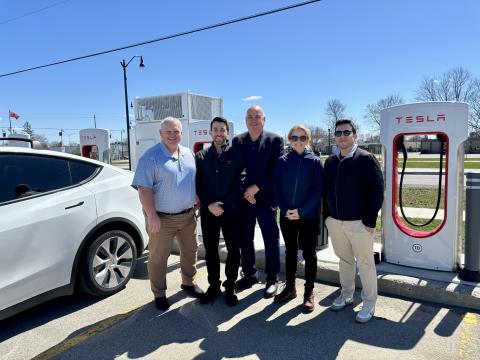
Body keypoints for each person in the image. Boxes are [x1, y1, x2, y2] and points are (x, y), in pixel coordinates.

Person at [132, 117, 204, 311]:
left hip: (188, 216)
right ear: (161, 134)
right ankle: (159, 293)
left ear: (181, 133)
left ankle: (188, 283)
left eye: (176, 131)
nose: (173, 135)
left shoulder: (189, 154)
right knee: (158, 257)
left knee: (190, 251)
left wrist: (195, 195)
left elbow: (191, 179)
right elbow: (143, 189)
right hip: (161, 219)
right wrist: (152, 215)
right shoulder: (150, 157)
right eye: (168, 132)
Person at [323, 119, 384, 323]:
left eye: (346, 132)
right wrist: (327, 216)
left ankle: (369, 303)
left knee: (365, 263)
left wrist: (369, 219)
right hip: (336, 222)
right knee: (345, 261)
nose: (342, 136)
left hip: (359, 223)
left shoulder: (366, 159)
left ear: (354, 135)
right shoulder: (330, 161)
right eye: (338, 133)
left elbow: (377, 191)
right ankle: (347, 295)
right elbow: (326, 191)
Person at [232, 105, 284, 298]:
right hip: (245, 199)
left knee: (271, 239)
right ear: (245, 120)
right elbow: (237, 168)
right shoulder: (238, 141)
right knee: (245, 239)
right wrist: (247, 189)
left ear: (264, 119)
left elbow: (276, 170)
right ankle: (249, 274)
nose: (253, 120)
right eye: (250, 117)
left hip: (266, 198)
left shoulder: (275, 140)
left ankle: (272, 278)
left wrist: (257, 187)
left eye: (257, 117)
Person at [272, 125, 323, 312]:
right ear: (289, 139)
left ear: (308, 140)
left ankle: (308, 292)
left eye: (302, 137)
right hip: (286, 216)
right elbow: (276, 187)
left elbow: (318, 190)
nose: (298, 141)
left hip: (308, 216)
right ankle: (290, 287)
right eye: (294, 137)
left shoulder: (315, 162)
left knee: (309, 254)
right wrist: (286, 209)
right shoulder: (282, 161)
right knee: (290, 252)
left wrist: (301, 211)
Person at [195, 116, 244, 306]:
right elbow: (198, 183)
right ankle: (213, 285)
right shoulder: (201, 157)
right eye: (215, 129)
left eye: (222, 130)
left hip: (231, 212)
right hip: (209, 213)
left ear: (227, 132)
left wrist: (223, 205)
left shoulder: (237, 155)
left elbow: (241, 182)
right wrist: (209, 204)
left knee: (233, 250)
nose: (219, 133)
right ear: (210, 132)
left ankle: (230, 285)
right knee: (211, 251)